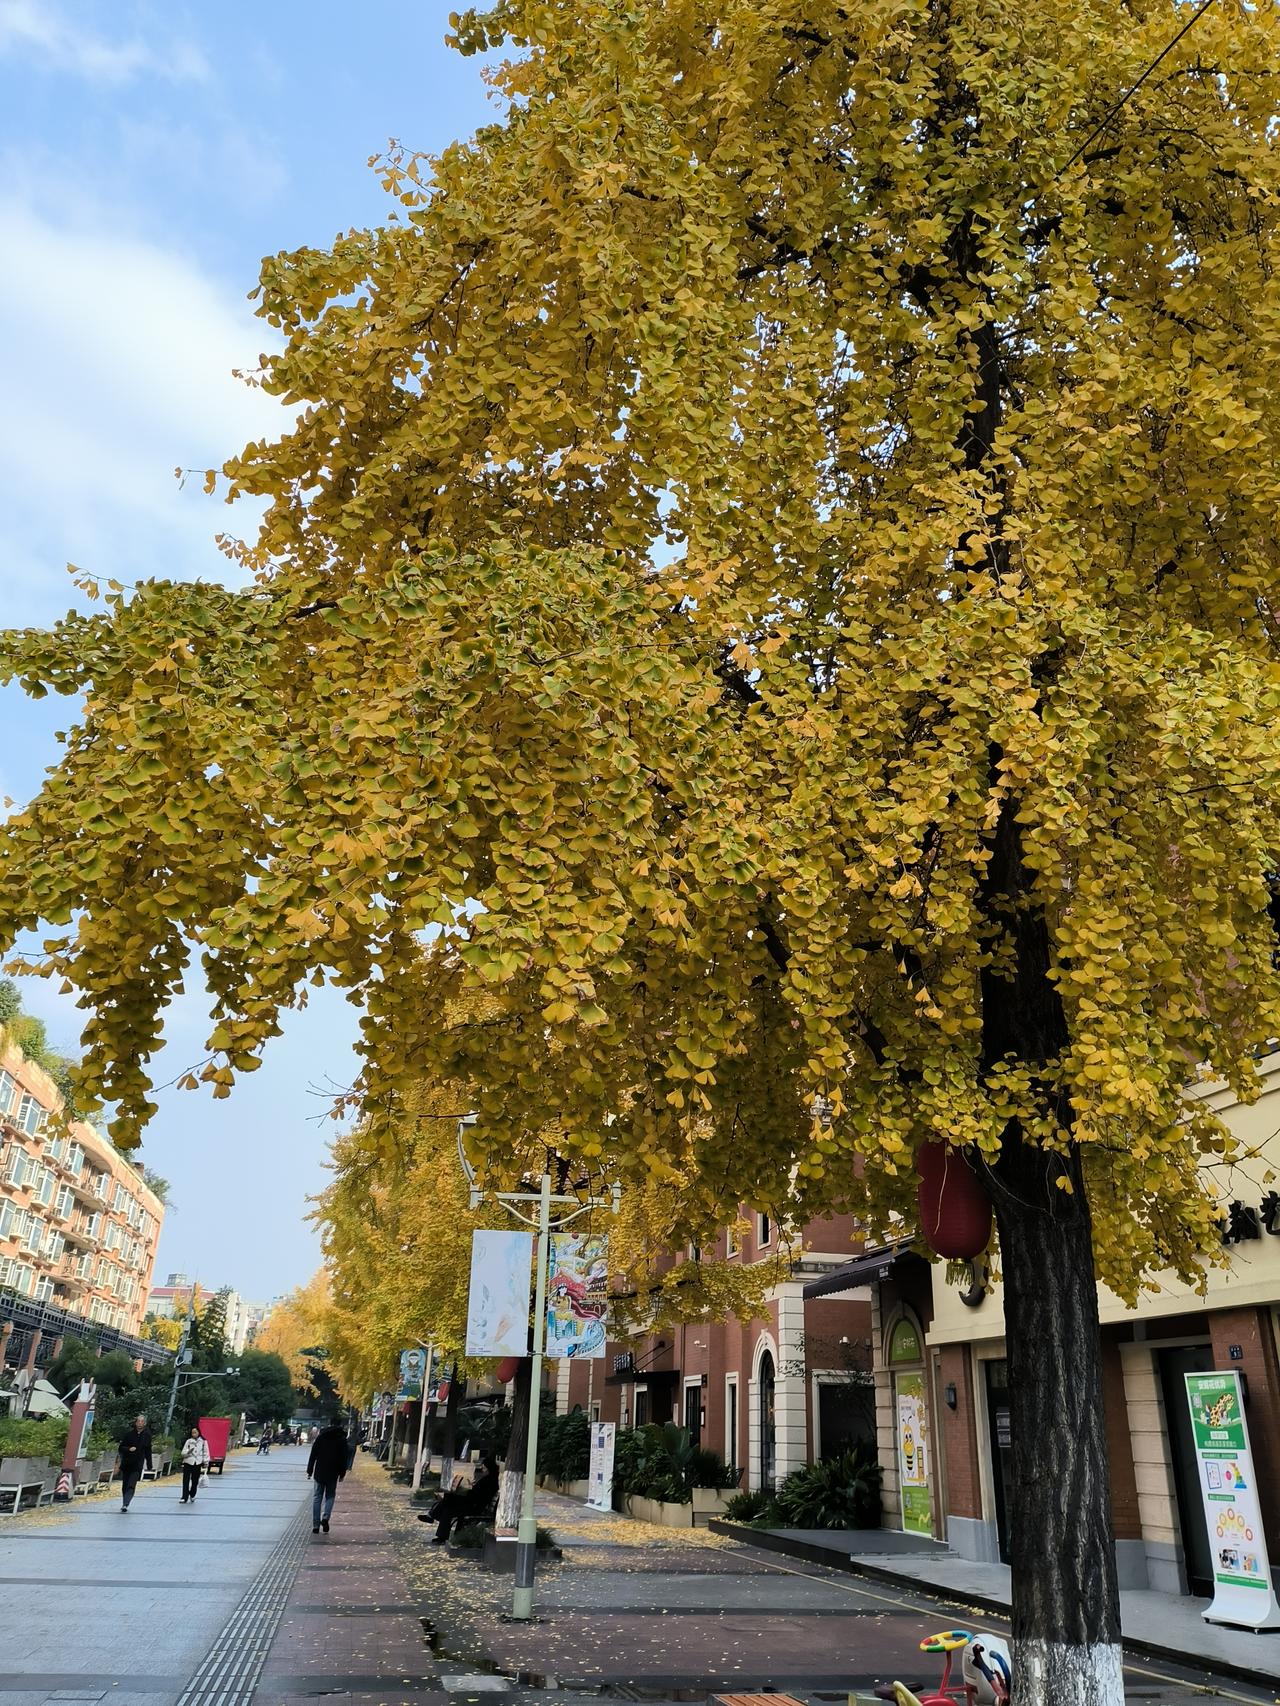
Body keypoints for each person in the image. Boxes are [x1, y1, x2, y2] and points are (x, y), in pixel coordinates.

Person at [417, 1452, 498, 1544]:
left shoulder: (489, 1481)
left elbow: (478, 1497)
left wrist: (469, 1492)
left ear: (489, 1468)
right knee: (449, 1503)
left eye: (484, 1467)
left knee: (449, 1502)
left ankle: (433, 1517)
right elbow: (476, 1494)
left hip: (475, 1507)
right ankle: (439, 1533)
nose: (482, 1469)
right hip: (472, 1504)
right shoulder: (489, 1479)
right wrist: (472, 1488)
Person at [306, 1415, 349, 1534]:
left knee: (317, 1497)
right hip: (333, 1473)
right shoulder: (341, 1439)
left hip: (320, 1472)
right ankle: (325, 1517)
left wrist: (310, 1470)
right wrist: (342, 1473)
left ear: (330, 1423)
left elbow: (313, 1455)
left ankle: (315, 1525)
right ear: (340, 1425)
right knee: (330, 1496)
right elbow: (344, 1458)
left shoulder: (321, 1437)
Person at [117, 1415, 152, 1512]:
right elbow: (121, 1447)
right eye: (138, 1421)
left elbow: (148, 1450)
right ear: (136, 1423)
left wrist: (149, 1464)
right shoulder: (129, 1434)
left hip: (137, 1464)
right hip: (127, 1463)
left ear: (144, 1423)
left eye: (142, 1421)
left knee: (131, 1484)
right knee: (125, 1485)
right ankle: (125, 1500)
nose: (140, 1423)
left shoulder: (147, 1436)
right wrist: (129, 1449)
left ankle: (126, 1503)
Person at [180, 1426, 209, 1503]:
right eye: (192, 1432)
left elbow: (206, 1452)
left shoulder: (203, 1441)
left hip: (197, 1462)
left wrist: (205, 1462)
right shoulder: (188, 1441)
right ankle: (184, 1496)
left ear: (198, 1432)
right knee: (185, 1480)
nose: (194, 1434)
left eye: (195, 1432)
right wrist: (188, 1452)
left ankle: (192, 1494)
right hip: (188, 1461)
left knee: (195, 1480)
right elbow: (183, 1452)